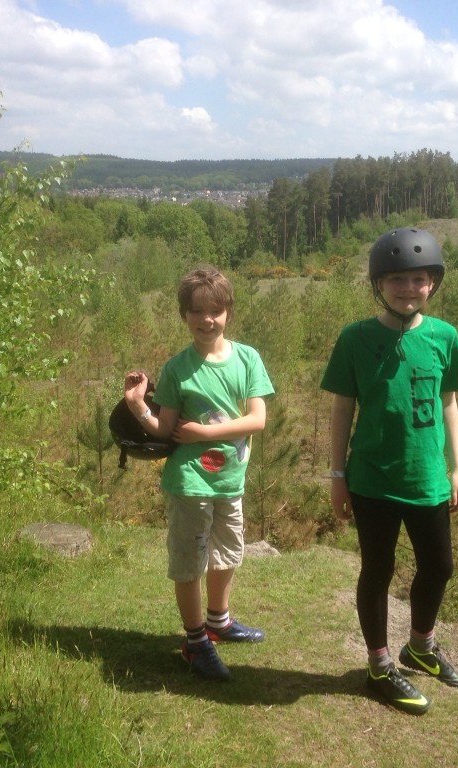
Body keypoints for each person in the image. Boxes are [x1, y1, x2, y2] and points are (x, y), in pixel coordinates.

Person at [320, 227, 458, 715]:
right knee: (378, 569)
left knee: (439, 566)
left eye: (420, 279)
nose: (409, 288)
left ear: (434, 283)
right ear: (379, 283)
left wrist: (457, 469)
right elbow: (343, 410)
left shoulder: (445, 336)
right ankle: (380, 665)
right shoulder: (356, 338)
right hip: (372, 479)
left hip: (426, 475)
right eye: (398, 279)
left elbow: (449, 403)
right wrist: (336, 476)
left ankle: (420, 647)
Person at [124, 267, 274, 681]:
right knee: (191, 561)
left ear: (228, 312)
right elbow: (164, 428)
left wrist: (205, 432)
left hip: (231, 480)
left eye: (215, 310)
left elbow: (258, 419)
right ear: (184, 315)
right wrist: (139, 406)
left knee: (228, 553)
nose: (207, 319)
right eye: (196, 311)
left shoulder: (248, 359)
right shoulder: (177, 368)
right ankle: (195, 641)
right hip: (190, 481)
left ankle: (219, 622)